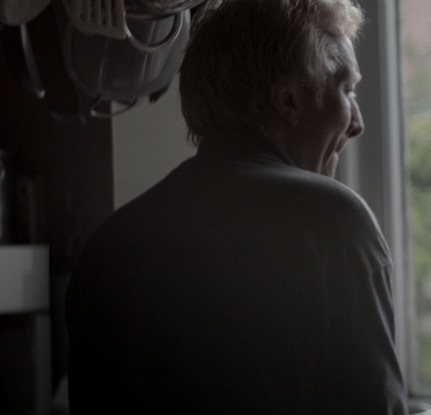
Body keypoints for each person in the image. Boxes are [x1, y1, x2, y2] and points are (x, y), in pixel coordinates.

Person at [65, 0, 407, 413]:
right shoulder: (332, 222)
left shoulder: (111, 245)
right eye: (346, 90)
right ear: (289, 100)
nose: (357, 122)